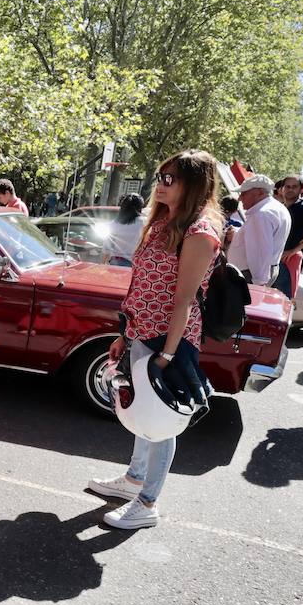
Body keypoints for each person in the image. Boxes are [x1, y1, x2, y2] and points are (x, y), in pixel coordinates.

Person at [87, 149, 224, 530]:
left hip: (170, 340)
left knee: (162, 422)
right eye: (160, 177)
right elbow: (142, 283)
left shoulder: (200, 232)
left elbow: (183, 301)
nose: (160, 185)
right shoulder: (165, 221)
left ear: (194, 185)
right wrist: (125, 334)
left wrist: (165, 355)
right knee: (143, 415)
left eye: (171, 179)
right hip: (142, 332)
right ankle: (134, 480)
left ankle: (147, 503)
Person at [226, 174, 289, 288]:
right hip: (256, 273)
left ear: (260, 193)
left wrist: (258, 284)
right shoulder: (273, 209)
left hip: (249, 276)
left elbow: (261, 252)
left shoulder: (262, 215)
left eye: (244, 193)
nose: (240, 198)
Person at [103, 193, 145, 267]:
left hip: (115, 262)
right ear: (140, 207)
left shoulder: (115, 223)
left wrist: (103, 264)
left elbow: (107, 247)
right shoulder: (144, 223)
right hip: (134, 264)